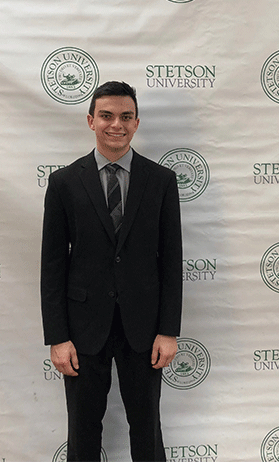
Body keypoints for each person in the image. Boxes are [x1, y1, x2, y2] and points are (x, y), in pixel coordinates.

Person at [41, 81, 183, 462]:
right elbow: (52, 266)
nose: (115, 124)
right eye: (106, 116)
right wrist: (57, 337)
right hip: (83, 329)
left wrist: (168, 330)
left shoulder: (162, 181)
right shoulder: (64, 183)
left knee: (147, 428)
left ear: (137, 123)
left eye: (125, 116)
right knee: (83, 430)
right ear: (91, 120)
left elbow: (171, 261)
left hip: (145, 328)